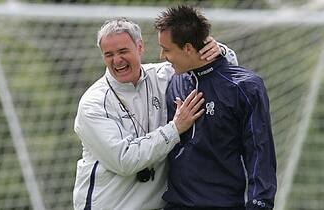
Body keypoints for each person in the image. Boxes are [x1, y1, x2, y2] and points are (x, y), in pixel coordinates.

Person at [73, 17, 237, 210]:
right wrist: (175, 128)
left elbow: (219, 70)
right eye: (109, 54)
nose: (117, 60)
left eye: (123, 51)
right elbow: (124, 161)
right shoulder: (93, 103)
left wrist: (220, 51)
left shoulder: (164, 76)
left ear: (140, 47)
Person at [155, 5, 277, 210]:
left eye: (167, 50)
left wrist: (260, 204)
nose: (161, 56)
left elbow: (260, 153)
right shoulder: (173, 83)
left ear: (187, 48)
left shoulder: (245, 87)